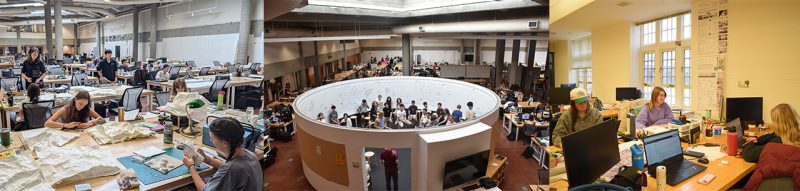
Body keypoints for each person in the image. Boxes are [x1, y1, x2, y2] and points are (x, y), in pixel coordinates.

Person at [182, 117, 263, 191]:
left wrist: (191, 167)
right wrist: (208, 160)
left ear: (224, 143)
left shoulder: (231, 169)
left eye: (212, 138)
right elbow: (229, 167)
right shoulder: (250, 155)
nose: (210, 140)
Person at [743, 103, 800, 190]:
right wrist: (757, 139)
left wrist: (749, 141)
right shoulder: (793, 136)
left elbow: (749, 155)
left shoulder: (775, 145)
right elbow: (773, 135)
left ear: (779, 124)